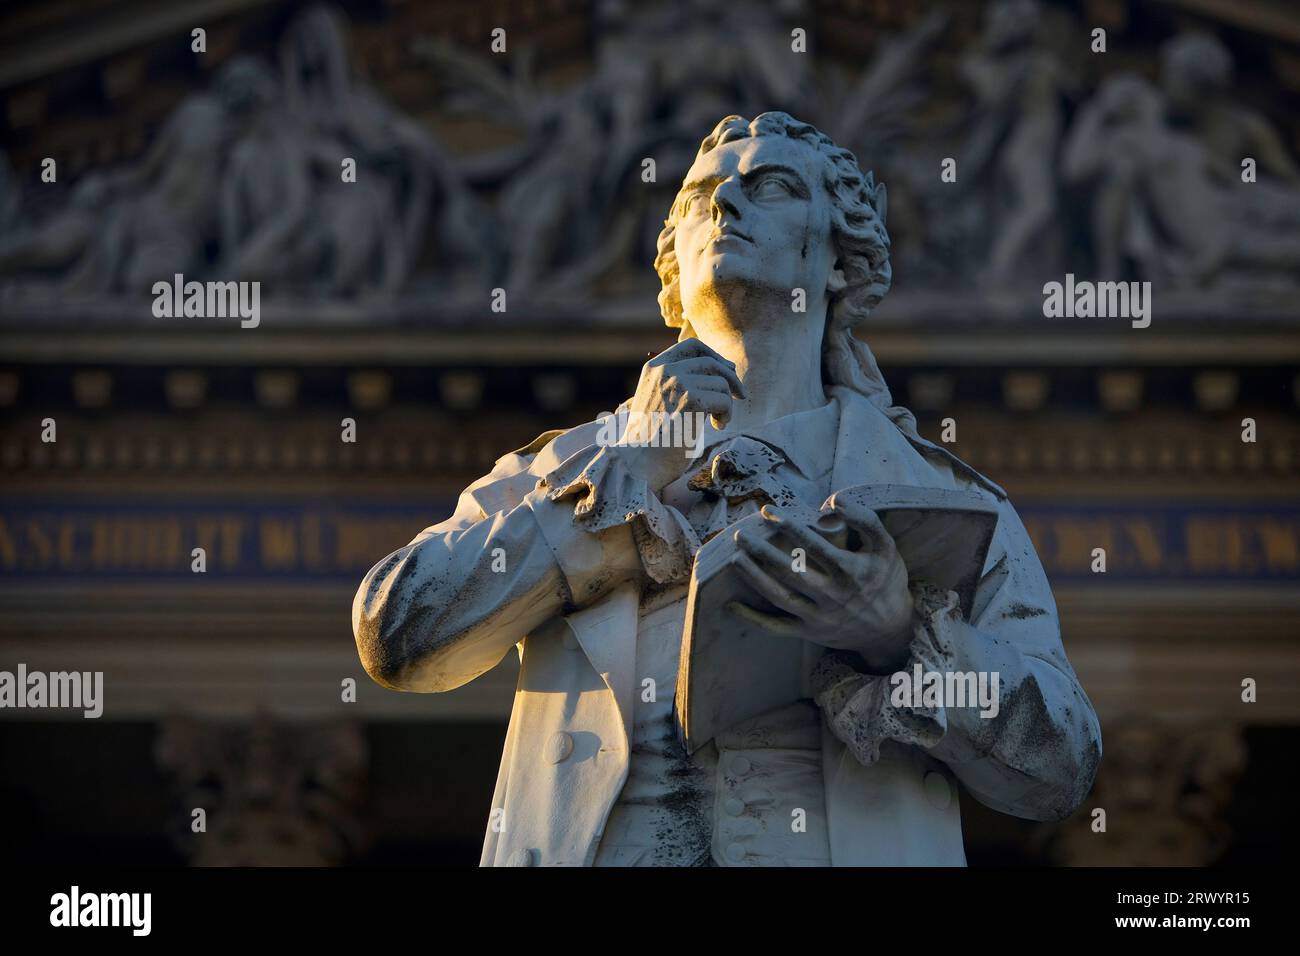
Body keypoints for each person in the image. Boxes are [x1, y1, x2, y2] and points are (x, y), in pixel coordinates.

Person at [353, 112, 1101, 866]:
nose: (726, 206)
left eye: (769, 187)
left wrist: (899, 634)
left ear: (840, 262)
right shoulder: (572, 468)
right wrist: (619, 486)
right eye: (702, 197)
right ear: (674, 262)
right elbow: (396, 634)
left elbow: (1060, 767)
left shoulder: (945, 501)